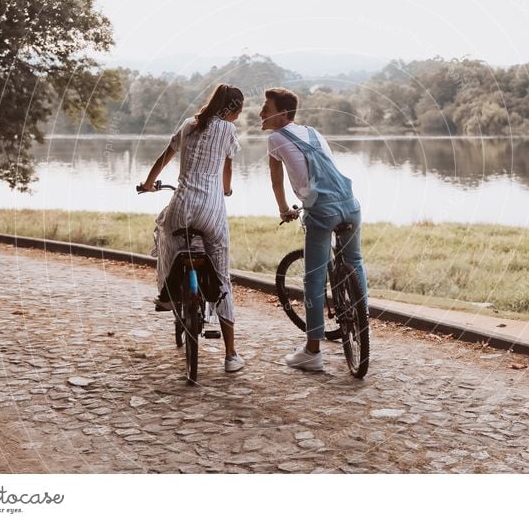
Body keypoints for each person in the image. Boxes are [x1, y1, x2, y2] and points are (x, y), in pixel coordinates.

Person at [261, 87, 368, 372]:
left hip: (322, 210)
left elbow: (276, 183)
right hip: (350, 204)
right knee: (354, 262)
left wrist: (285, 209)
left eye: (266, 109)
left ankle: (312, 351)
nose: (261, 113)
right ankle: (361, 319)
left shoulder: (274, 139)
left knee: (313, 278)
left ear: (282, 114)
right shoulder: (313, 132)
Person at [139, 84, 244, 373]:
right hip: (212, 211)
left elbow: (164, 157)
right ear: (234, 110)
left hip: (182, 206)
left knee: (164, 232)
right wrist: (226, 189)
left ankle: (167, 294)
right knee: (223, 280)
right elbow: (228, 168)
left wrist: (148, 184)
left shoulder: (188, 125)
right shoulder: (228, 130)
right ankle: (231, 355)